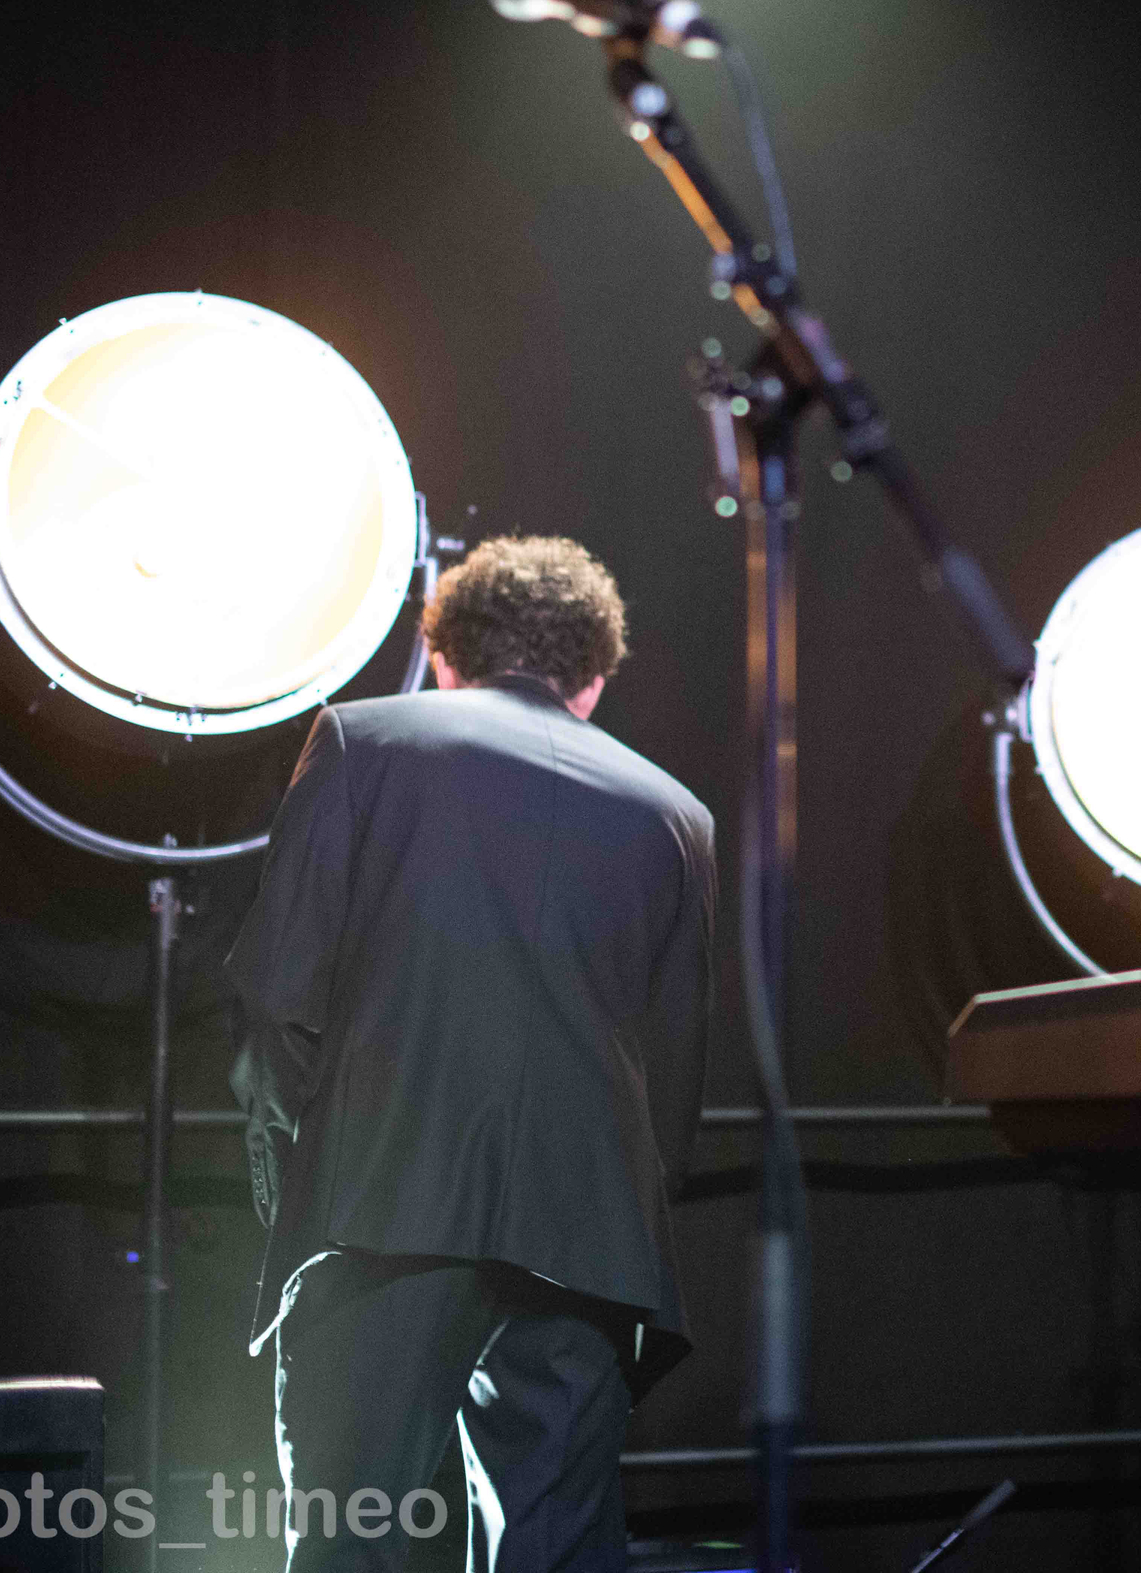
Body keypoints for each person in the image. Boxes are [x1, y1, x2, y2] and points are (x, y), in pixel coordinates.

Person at [225, 535, 716, 1573]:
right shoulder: (678, 815)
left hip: (384, 1207)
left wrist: (290, 1179)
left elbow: (276, 997)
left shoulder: (362, 739)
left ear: (443, 655)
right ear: (592, 678)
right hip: (592, 1239)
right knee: (557, 1553)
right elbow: (672, 1084)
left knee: (350, 1539)